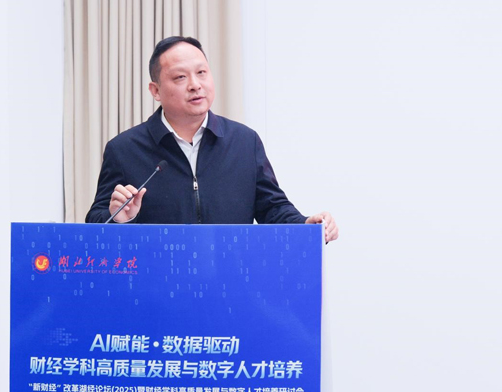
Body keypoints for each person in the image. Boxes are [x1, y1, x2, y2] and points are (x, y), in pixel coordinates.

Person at [86, 36, 338, 243]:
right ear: (156, 91)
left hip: (229, 277)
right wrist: (120, 218)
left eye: (201, 73)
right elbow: (95, 223)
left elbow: (272, 208)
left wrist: (305, 225)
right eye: (180, 77)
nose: (195, 85)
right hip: (158, 280)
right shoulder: (124, 149)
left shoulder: (244, 142)